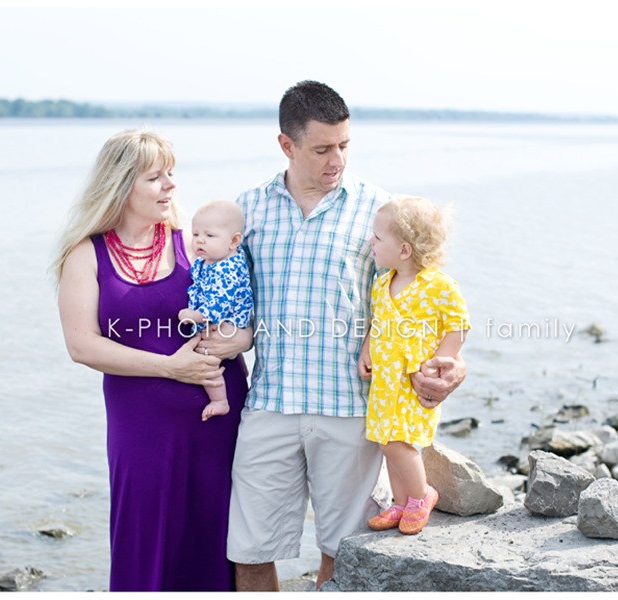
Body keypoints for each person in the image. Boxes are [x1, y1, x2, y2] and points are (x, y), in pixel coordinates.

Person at [227, 80, 468, 591]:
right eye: (321, 149)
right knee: (248, 552)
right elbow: (225, 298)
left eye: (343, 145)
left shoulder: (381, 212)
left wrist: (452, 364)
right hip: (268, 404)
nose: (336, 159)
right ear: (286, 146)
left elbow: (431, 299)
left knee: (343, 554)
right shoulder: (246, 210)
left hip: (352, 410)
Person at [53, 129, 252, 591]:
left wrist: (240, 339)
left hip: (216, 418)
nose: (171, 186)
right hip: (140, 425)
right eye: (155, 177)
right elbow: (81, 345)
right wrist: (169, 367)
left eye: (171, 175)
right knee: (144, 535)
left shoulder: (196, 243)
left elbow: (247, 311)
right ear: (122, 184)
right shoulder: (86, 255)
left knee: (218, 535)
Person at [357, 195, 471, 535]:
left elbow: (458, 324)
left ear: (405, 249)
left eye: (377, 238)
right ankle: (401, 502)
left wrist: (445, 361)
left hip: (413, 379)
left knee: (400, 442)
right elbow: (377, 322)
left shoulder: (439, 286)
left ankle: (422, 496)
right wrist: (367, 348)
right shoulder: (382, 283)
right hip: (384, 381)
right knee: (384, 440)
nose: (370, 242)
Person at [178, 199, 254, 421]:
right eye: (196, 234)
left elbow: (219, 304)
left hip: (227, 321)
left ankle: (219, 400)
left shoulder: (228, 268)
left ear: (234, 241)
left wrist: (195, 316)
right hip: (214, 320)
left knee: (206, 359)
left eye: (209, 236)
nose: (200, 240)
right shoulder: (209, 260)